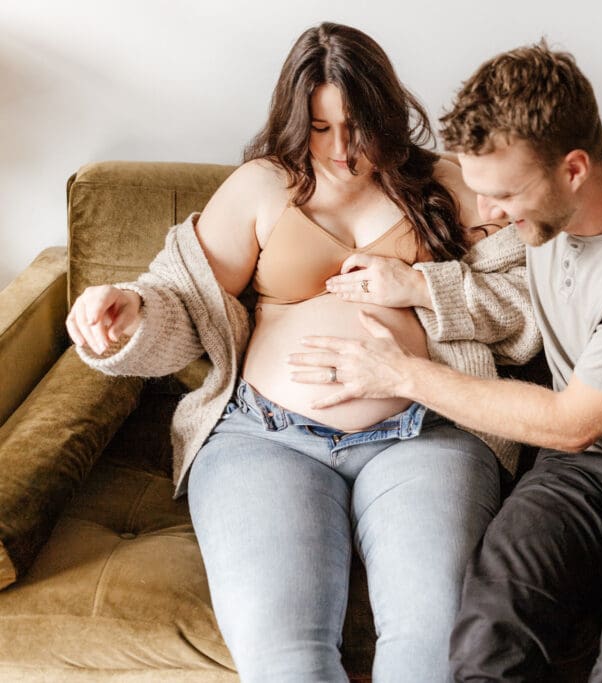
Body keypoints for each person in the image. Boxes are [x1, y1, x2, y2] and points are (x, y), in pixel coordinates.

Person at [289, 41, 602, 682]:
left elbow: (572, 421)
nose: (486, 216)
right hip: (578, 471)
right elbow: (507, 305)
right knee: (486, 639)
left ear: (574, 169)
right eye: (479, 191)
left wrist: (400, 374)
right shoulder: (549, 208)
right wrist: (415, 284)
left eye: (502, 198)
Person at [65, 23, 539, 683]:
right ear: (296, 121)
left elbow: (525, 310)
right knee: (284, 658)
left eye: (359, 125)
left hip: (426, 434)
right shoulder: (261, 188)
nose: (341, 151)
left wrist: (421, 286)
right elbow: (182, 301)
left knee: (434, 647)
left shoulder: (451, 184)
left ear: (388, 112)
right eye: (321, 128)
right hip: (266, 439)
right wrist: (129, 313)